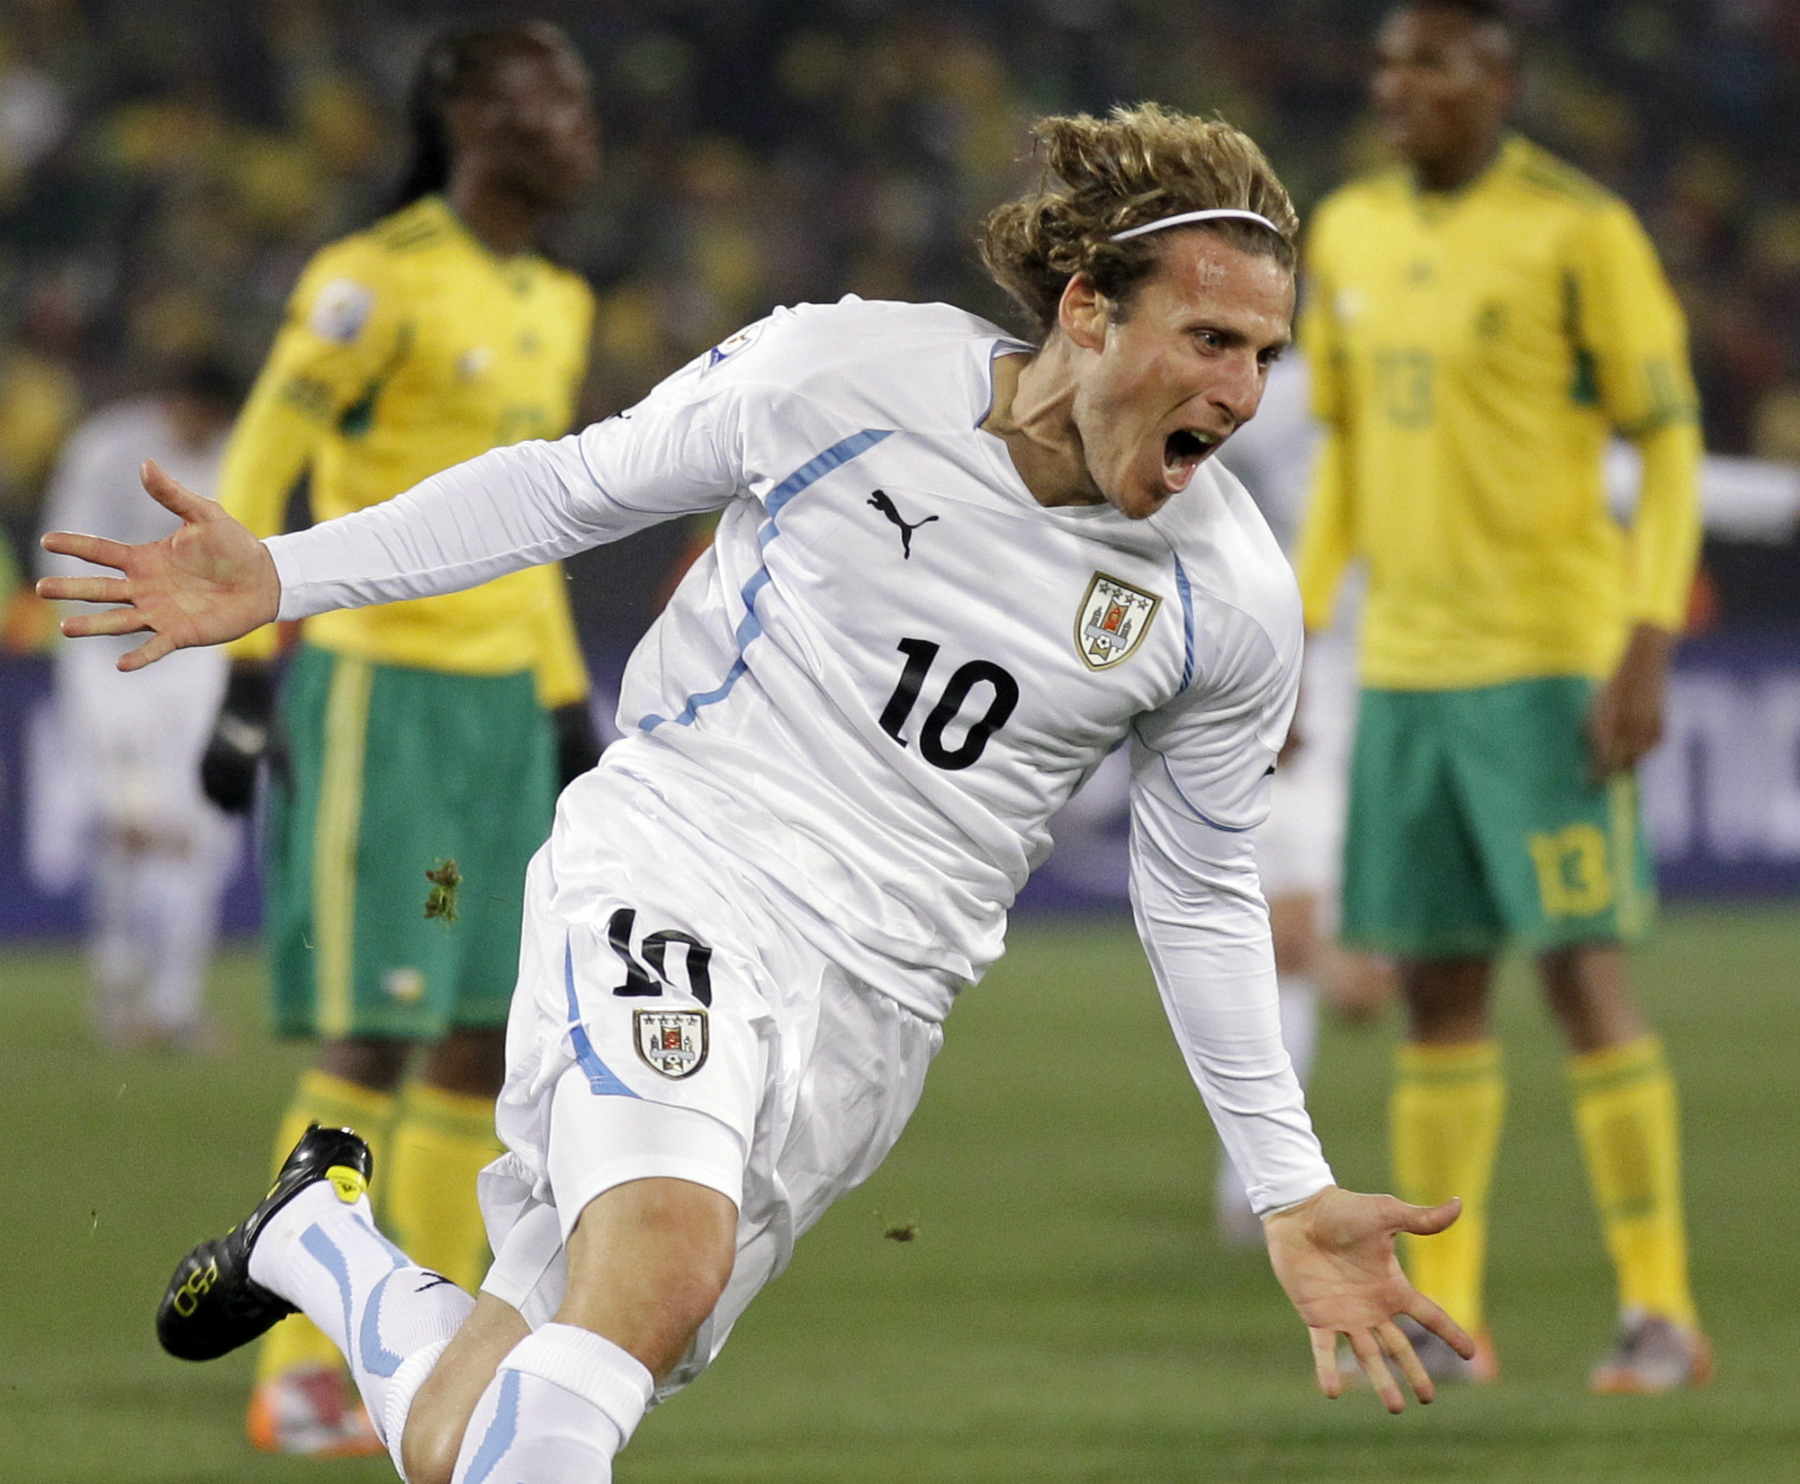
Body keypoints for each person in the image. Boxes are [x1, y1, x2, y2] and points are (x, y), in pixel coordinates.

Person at [46, 104, 1476, 1484]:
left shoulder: (1228, 599)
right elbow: (564, 488)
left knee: (490, 1418)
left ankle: (318, 1240)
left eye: (1266, 355)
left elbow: (1202, 887)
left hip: (873, 1016)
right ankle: (338, 1243)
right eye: (1210, 338)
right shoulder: (840, 379)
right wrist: (287, 574)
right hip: (683, 869)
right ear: (1091, 310)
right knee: (662, 1264)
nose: (1239, 392)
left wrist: (1289, 1185)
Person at [196, 22, 603, 1455]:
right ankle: (295, 1367)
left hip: (500, 710)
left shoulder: (557, 298)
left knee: (483, 1047)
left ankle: (406, 1357)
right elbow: (258, 463)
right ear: (470, 116)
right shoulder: (374, 279)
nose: (579, 120)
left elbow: (541, 529)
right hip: (385, 697)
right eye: (547, 96)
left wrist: (564, 706)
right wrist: (249, 677)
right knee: (376, 1027)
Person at [1295, 0, 1709, 1390]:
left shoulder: (1579, 228)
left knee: (1587, 981)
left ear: (1497, 78)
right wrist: (1298, 629)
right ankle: (1449, 1316)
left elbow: (1669, 439)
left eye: (1426, 61)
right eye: (1386, 61)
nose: (1393, 83)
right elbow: (1344, 455)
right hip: (1405, 666)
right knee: (1437, 996)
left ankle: (1660, 1311)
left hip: (1547, 662)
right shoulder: (1346, 228)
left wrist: (1647, 636)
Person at [1211, 351, 1394, 1245]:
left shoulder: (1423, 388)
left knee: (1333, 973)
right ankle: (1263, 1185)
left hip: (1404, 679)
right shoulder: (1273, 401)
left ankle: (1262, 1185)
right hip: (1296, 674)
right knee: (1291, 939)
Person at [30, 360, 244, 1051]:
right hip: (112, 660)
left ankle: (175, 1002)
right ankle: (118, 981)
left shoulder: (237, 457)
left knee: (204, 830)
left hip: (199, 663)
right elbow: (67, 560)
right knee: (130, 826)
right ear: (176, 399)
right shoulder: (109, 449)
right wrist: (90, 679)